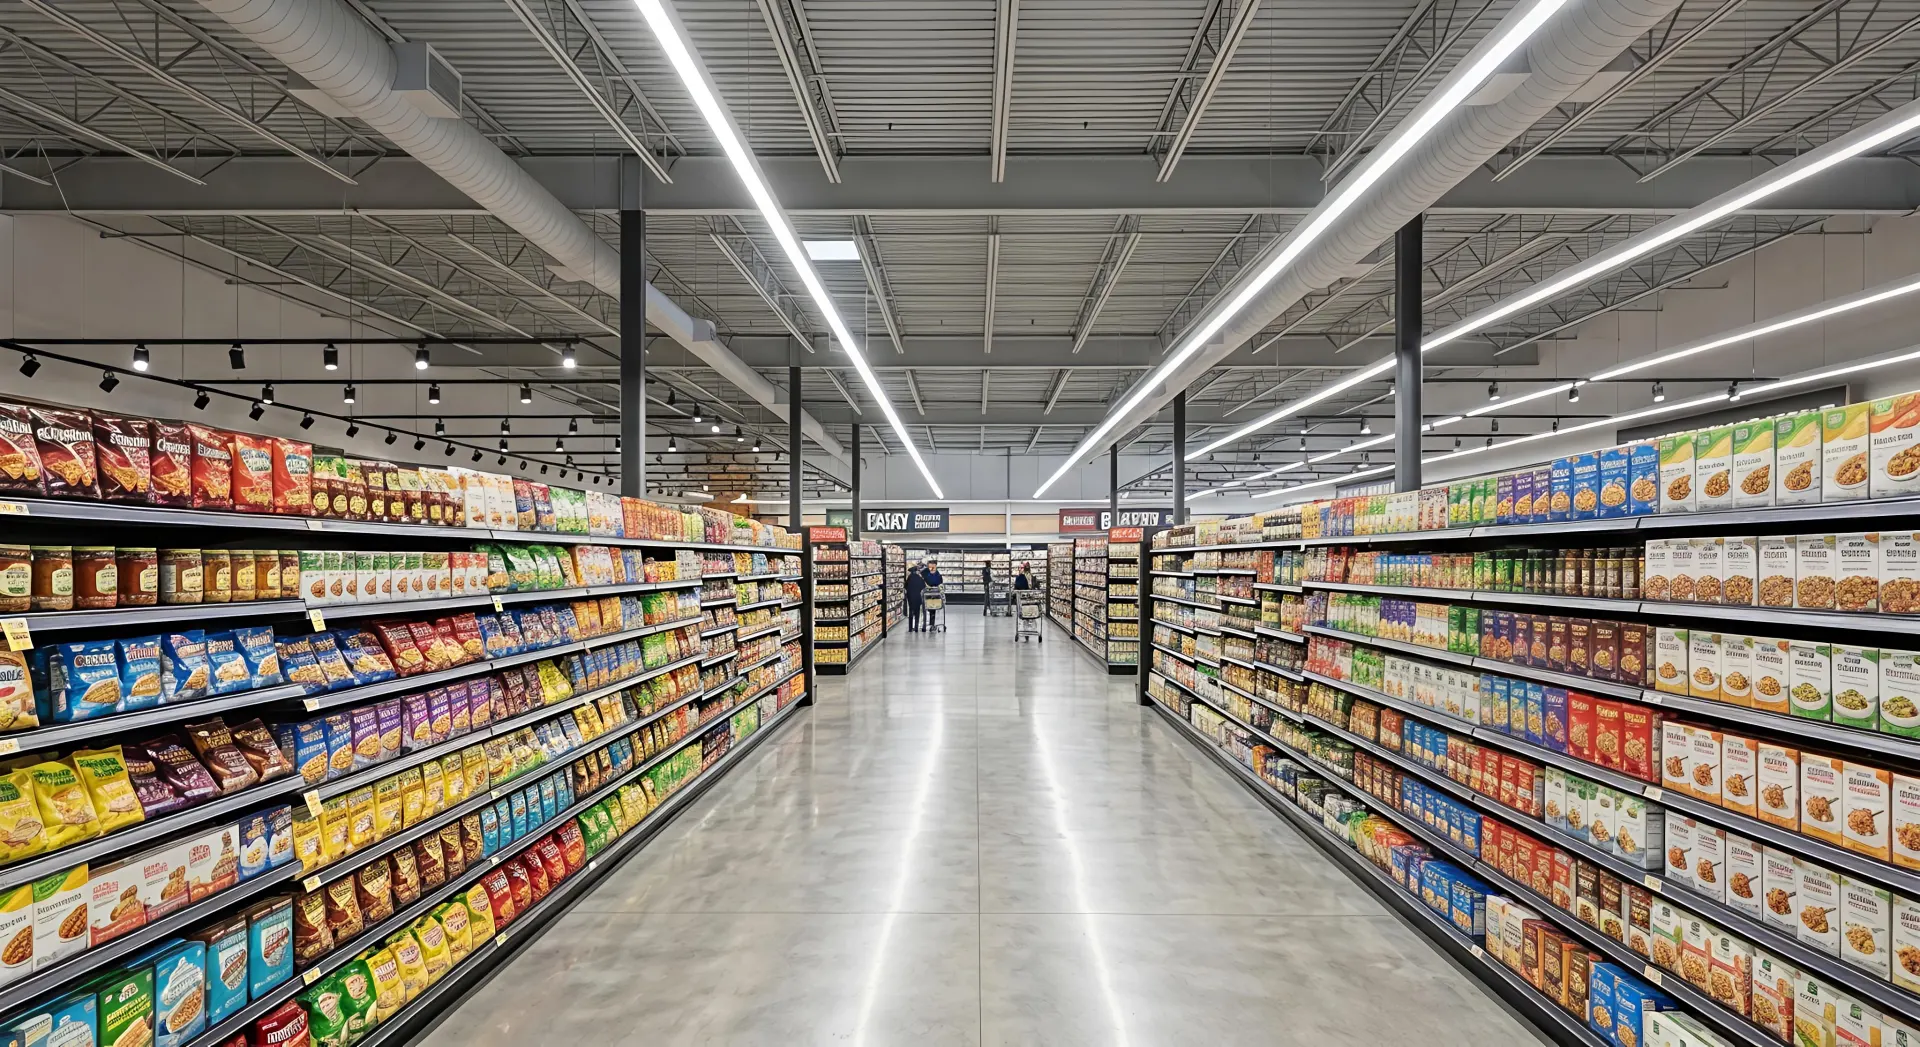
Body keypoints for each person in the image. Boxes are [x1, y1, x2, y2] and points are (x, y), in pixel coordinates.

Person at [905, 563, 926, 632]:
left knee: (911, 611)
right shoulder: (919, 578)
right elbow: (923, 586)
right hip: (917, 596)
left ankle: (910, 628)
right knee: (917, 612)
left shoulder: (909, 578)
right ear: (916, 571)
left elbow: (905, 586)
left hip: (910, 597)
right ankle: (916, 627)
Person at [922, 561, 944, 630]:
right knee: (930, 609)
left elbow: (940, 582)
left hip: (932, 594)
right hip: (930, 593)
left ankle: (930, 624)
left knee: (931, 609)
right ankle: (929, 624)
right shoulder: (927, 572)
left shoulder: (936, 574)